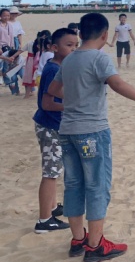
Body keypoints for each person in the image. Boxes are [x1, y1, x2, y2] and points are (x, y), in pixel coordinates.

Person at [47, 13, 135, 260]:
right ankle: (95, 245)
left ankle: (78, 239)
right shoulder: (99, 58)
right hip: (92, 132)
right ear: (105, 34)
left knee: (73, 185)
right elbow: (117, 84)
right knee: (97, 186)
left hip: (67, 131)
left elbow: (53, 90)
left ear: (80, 34)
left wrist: (76, 97)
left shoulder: (69, 60)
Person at [33, 28, 78, 233]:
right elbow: (46, 104)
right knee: (50, 172)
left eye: (76, 45)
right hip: (49, 126)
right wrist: (72, 106)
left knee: (55, 170)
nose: (73, 49)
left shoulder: (59, 66)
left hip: (53, 125)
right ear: (54, 47)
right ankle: (44, 220)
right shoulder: (52, 69)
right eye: (69, 45)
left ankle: (51, 207)